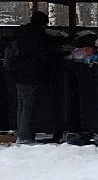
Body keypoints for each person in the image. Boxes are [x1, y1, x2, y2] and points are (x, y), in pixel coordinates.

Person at [5, 11, 63, 144]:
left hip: (17, 74)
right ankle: (24, 136)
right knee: (29, 106)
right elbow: (43, 52)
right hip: (31, 75)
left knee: (21, 105)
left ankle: (21, 132)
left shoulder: (21, 32)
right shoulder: (37, 35)